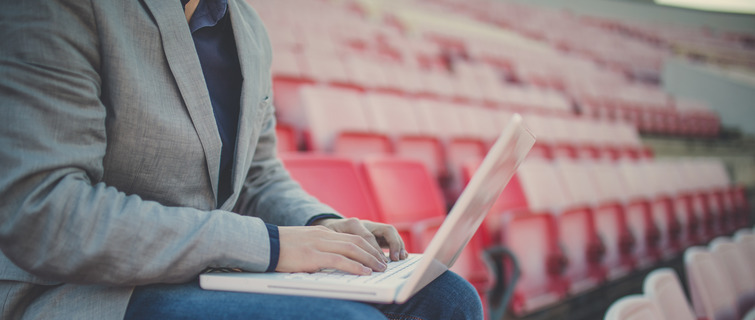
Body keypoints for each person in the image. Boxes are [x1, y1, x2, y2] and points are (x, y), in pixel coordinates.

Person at [0, 0, 483, 319]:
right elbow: (47, 211)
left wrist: (324, 226)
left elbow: (257, 176)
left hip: (209, 269)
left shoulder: (248, 30)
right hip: (83, 290)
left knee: (447, 300)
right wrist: (269, 245)